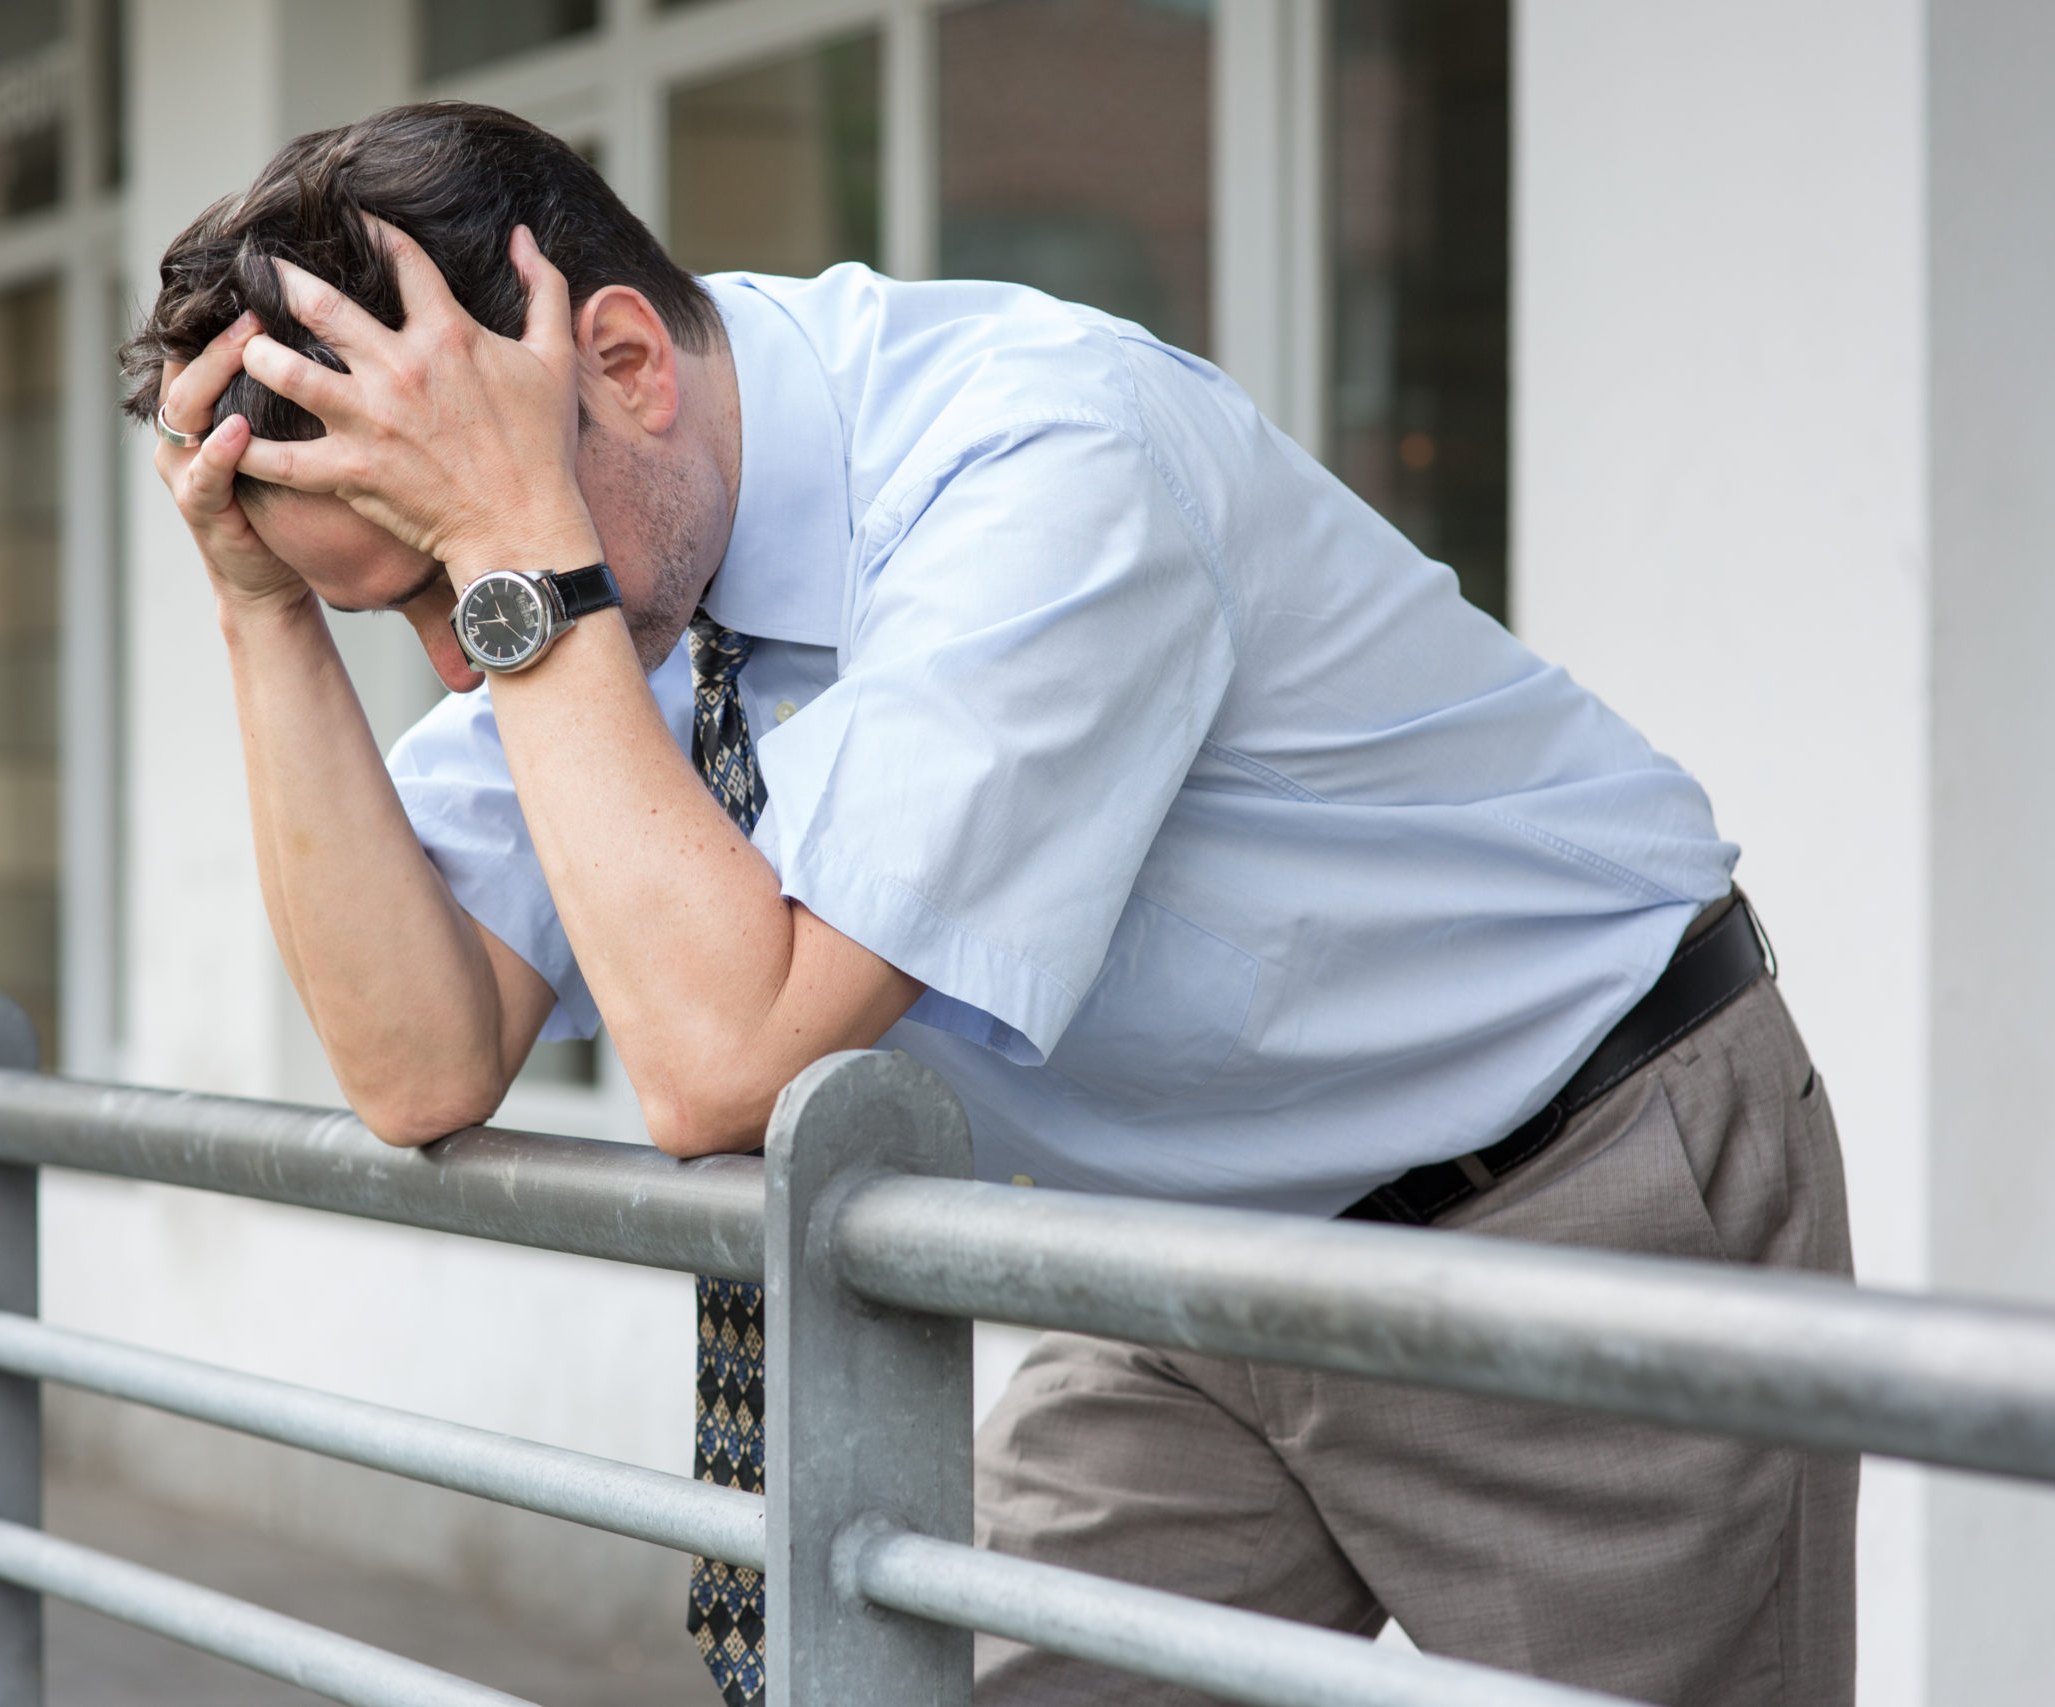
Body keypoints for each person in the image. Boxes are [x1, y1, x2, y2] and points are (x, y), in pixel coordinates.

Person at [122, 102, 1854, 1707]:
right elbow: (420, 1060)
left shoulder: (1035, 458)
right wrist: (261, 616)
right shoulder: (592, 568)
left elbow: (728, 1063)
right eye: (396, 608)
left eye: (443, 577)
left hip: (1564, 1197)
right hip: (1186, 1283)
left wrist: (519, 559)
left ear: (627, 364)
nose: (460, 657)